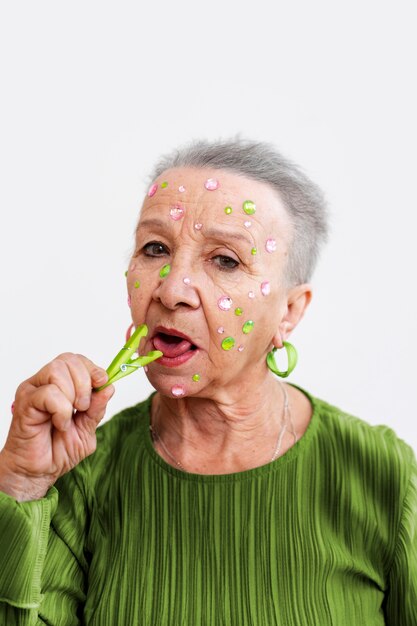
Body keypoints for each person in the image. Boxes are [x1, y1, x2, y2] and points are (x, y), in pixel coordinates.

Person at [0, 137, 416, 625]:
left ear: (290, 311)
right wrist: (21, 484)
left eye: (225, 260)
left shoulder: (386, 477)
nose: (172, 290)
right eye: (155, 248)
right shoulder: (81, 476)